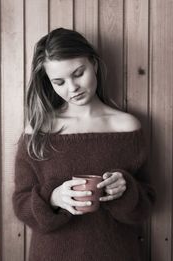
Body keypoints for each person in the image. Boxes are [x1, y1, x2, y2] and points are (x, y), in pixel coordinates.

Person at [12, 28, 155, 261]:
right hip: (51, 254)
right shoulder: (38, 131)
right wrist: (54, 198)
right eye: (59, 82)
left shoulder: (127, 127)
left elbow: (146, 205)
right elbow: (21, 203)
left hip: (117, 253)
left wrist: (126, 188)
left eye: (78, 73)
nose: (72, 88)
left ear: (94, 64)